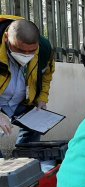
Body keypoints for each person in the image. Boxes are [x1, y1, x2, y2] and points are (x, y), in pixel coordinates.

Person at [0, 16, 55, 155]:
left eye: (31, 51)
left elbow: (46, 74)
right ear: (6, 38)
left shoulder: (44, 49)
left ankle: (23, 160)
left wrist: (42, 99)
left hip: (21, 101)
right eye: (20, 50)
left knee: (36, 127)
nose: (26, 55)